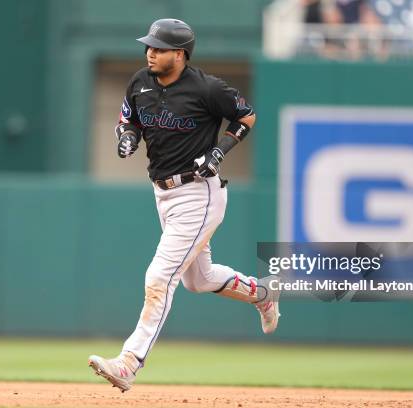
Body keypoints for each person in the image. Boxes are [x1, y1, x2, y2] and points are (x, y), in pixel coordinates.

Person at [87, 18, 281, 393]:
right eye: (149, 46)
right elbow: (129, 118)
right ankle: (262, 293)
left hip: (199, 193)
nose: (150, 53)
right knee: (199, 279)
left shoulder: (206, 88)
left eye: (159, 48)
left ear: (180, 54)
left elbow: (246, 115)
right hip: (163, 194)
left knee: (160, 278)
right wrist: (127, 136)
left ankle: (129, 363)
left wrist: (220, 150)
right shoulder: (140, 81)